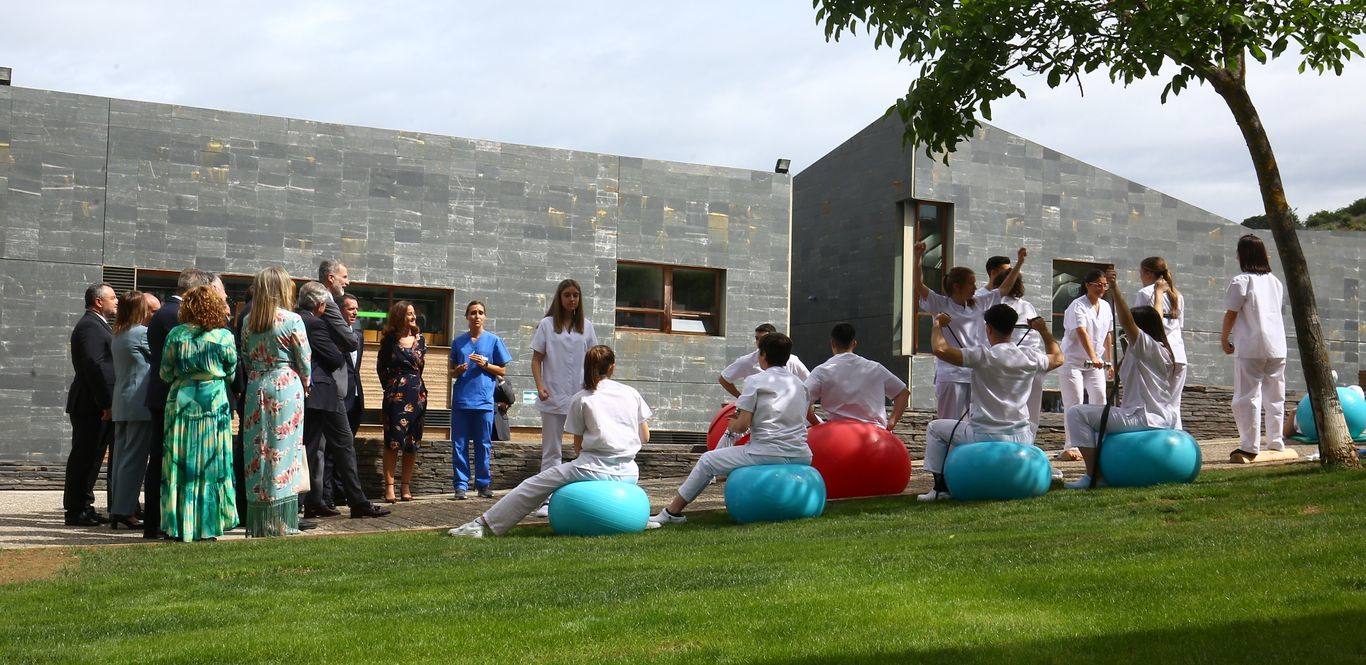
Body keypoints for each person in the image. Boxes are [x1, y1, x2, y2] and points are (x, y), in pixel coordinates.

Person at [448, 346, 650, 537]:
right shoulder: (631, 393)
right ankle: (638, 518)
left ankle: (482, 524)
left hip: (592, 468)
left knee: (532, 485)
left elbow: (578, 447)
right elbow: (645, 437)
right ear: (613, 366)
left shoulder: (582, 398)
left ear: (586, 366)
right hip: (630, 473)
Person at [650, 333, 813, 526]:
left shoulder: (756, 381)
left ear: (763, 355)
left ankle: (672, 512)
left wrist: (732, 424)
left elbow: (742, 425)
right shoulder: (801, 386)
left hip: (767, 452)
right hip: (802, 454)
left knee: (708, 460)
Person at [918, 306, 1064, 501]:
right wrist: (1044, 331)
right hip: (1022, 437)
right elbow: (1058, 358)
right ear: (1012, 329)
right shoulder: (1029, 357)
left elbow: (940, 349)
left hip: (983, 435)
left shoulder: (982, 355)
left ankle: (939, 489)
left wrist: (938, 325)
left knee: (935, 428)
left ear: (988, 328)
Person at [1064, 269, 1180, 489]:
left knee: (1076, 413)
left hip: (1143, 418)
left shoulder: (1146, 347)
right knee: (1094, 418)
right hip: (1159, 417)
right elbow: (1153, 316)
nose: (1124, 334)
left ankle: (1093, 477)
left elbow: (1129, 321)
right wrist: (1157, 295)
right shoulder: (1159, 348)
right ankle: (1104, 470)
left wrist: (1115, 289)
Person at [298, 282, 391, 519]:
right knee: (343, 445)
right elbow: (335, 357)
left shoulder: (295, 318)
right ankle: (357, 502)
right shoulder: (316, 322)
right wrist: (337, 348)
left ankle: (311, 502)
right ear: (321, 304)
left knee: (310, 449)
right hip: (325, 392)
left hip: (307, 392)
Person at [158, 285, 239, 541]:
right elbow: (231, 372)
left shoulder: (176, 335)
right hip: (213, 402)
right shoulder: (224, 336)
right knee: (211, 464)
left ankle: (178, 525)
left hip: (181, 401)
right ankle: (207, 526)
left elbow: (165, 372)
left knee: (179, 465)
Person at [912, 243, 1026, 420]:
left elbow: (1004, 288)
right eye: (971, 284)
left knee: (976, 422)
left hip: (975, 373)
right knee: (949, 423)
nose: (975, 287)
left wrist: (1019, 263)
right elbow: (919, 285)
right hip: (951, 375)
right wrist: (918, 257)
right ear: (957, 287)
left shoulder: (978, 302)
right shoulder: (941, 304)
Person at [142, 268, 215, 539]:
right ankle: (159, 522)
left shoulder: (165, 312)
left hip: (162, 394)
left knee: (161, 459)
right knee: (165, 460)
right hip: (171, 396)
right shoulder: (176, 315)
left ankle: (156, 522)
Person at [239, 267, 312, 537]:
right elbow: (304, 360)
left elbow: (245, 358)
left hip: (256, 385)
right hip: (284, 386)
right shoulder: (292, 320)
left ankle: (260, 520)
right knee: (283, 452)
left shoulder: (249, 321)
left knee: (258, 451)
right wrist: (305, 384)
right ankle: (281, 522)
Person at [1221, 234, 1288, 462]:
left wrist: (1224, 339)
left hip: (1251, 346)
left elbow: (1231, 313)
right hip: (1277, 345)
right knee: (1275, 396)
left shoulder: (1241, 280)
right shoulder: (1275, 281)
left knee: (1246, 396)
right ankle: (1276, 441)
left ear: (1242, 254)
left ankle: (1249, 445)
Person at [64, 282, 118, 527]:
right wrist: (106, 402)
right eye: (113, 297)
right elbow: (95, 366)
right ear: (99, 301)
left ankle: (85, 505)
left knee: (93, 458)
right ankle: (76, 510)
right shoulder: (90, 326)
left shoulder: (97, 325)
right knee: (84, 457)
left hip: (94, 403)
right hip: (91, 405)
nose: (116, 301)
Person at [531, 279, 598, 475]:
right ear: (559, 298)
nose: (571, 299)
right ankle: (547, 498)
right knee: (552, 450)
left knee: (586, 445)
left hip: (581, 393)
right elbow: (536, 359)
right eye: (567, 295)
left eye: (575, 295)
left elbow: (594, 360)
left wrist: (595, 387)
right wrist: (539, 386)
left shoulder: (587, 326)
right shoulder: (546, 324)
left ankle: (585, 488)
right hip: (552, 393)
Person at [449, 300, 512, 500]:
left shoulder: (493, 341)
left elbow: (502, 370)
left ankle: (483, 485)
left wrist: (486, 364)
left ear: (485, 317)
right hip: (461, 400)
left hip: (484, 400)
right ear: (467, 316)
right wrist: (457, 371)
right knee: (459, 444)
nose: (477, 316)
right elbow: (451, 372)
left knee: (483, 444)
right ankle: (460, 486)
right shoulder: (458, 342)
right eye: (473, 313)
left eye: (480, 312)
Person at [109, 291, 160, 529]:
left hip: (121, 402)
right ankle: (124, 510)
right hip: (139, 402)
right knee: (135, 459)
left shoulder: (118, 333)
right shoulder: (141, 334)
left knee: (121, 458)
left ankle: (117, 506)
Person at [804, 323, 910, 429]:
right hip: (875, 434)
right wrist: (891, 423)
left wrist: (817, 424)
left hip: (837, 434)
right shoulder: (875, 368)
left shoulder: (822, 371)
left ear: (832, 343)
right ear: (854, 343)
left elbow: (802, 400)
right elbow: (903, 393)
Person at [1057, 268, 1114, 461]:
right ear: (1087, 285)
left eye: (1104, 285)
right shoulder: (1077, 306)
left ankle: (1100, 442)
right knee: (1074, 404)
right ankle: (1071, 446)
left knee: (1100, 400)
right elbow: (1081, 332)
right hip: (1073, 361)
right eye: (1098, 285)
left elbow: (1108, 334)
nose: (1102, 288)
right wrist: (1094, 357)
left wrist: (1109, 360)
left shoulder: (1106, 306)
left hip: (1095, 363)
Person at [376, 300, 427, 503]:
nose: (413, 317)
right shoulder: (389, 340)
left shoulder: (420, 339)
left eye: (413, 313)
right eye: (408, 314)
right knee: (393, 441)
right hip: (395, 394)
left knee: (412, 442)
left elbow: (420, 367)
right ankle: (389, 488)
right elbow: (381, 368)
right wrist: (391, 388)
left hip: (418, 394)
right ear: (399, 316)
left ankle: (406, 486)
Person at [989, 269, 1047, 434]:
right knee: (1032, 408)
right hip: (1031, 362)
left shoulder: (995, 306)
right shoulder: (1028, 306)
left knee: (1006, 407)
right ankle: (1029, 441)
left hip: (1007, 362)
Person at [1134, 256, 1187, 429]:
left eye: (1141, 273)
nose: (1140, 277)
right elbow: (1180, 326)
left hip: (1159, 354)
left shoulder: (1145, 293)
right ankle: (1178, 440)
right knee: (1174, 404)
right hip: (1178, 354)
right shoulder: (1177, 295)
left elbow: (1139, 324)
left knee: (1157, 404)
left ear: (1148, 273)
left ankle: (1163, 442)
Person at [719, 323, 811, 398]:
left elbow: (809, 383)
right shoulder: (748, 364)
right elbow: (724, 379)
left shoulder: (792, 360)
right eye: (757, 338)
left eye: (764, 339)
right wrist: (741, 398)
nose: (759, 342)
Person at [493, 377, 516, 443]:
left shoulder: (504, 380)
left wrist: (502, 381)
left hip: (499, 424)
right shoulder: (480, 379)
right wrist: (497, 405)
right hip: (482, 422)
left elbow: (511, 399)